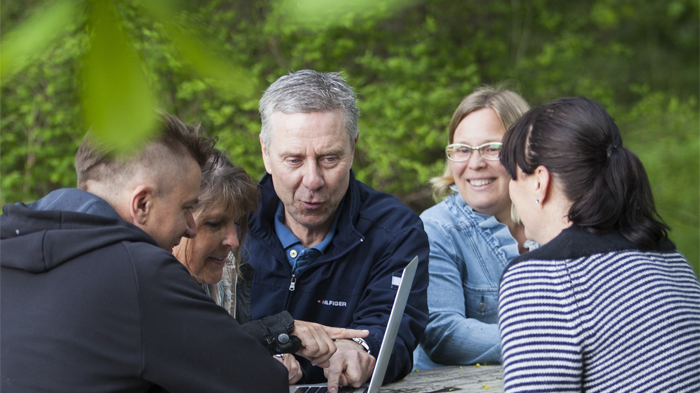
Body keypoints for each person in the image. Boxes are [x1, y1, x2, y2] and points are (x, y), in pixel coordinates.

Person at [0, 114, 289, 392]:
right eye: (187, 208)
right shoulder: (140, 272)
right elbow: (262, 383)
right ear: (141, 204)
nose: (190, 228)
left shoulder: (10, 250)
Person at [244, 70, 430, 391]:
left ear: (353, 148)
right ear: (265, 152)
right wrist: (250, 355)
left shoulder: (395, 231)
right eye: (294, 159)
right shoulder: (228, 222)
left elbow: (392, 330)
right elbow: (191, 329)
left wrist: (360, 351)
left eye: (329, 158)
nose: (313, 179)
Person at [498, 97, 700, 391]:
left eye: (513, 176)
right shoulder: (670, 258)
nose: (511, 192)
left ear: (540, 181)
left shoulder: (542, 278)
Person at [172, 148, 369, 384]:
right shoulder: (144, 281)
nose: (233, 240)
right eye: (214, 224)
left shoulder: (230, 269)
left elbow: (221, 354)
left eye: (235, 223)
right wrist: (276, 332)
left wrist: (269, 357)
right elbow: (181, 358)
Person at [413, 86, 530, 369]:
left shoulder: (556, 223)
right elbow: (443, 335)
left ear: (524, 151)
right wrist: (545, 339)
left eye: (491, 148)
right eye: (463, 150)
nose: (475, 163)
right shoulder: (436, 229)